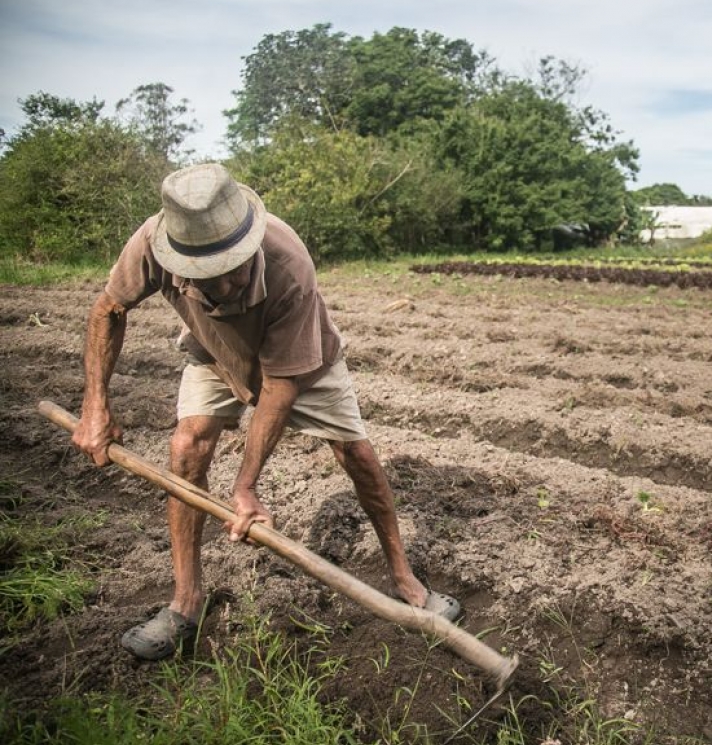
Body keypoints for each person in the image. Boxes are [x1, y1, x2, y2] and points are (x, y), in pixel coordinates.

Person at [72, 162, 459, 660]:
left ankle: (406, 580)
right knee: (186, 447)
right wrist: (94, 405)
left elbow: (278, 387)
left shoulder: (287, 263)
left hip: (302, 363)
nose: (225, 285)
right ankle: (185, 602)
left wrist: (245, 486)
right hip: (212, 354)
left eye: (231, 268)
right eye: (208, 277)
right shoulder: (152, 244)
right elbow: (109, 308)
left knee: (356, 454)